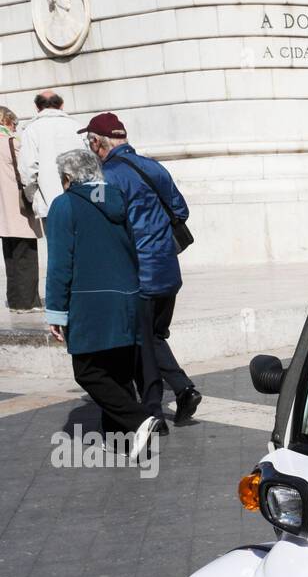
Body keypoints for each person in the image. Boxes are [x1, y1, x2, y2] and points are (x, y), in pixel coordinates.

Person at [81, 112, 202, 426]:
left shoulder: (104, 177)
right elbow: (181, 210)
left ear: (97, 142)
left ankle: (153, 413)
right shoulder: (154, 167)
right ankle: (183, 388)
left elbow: (100, 227)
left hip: (137, 275)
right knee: (153, 338)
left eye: (89, 141)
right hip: (167, 271)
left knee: (143, 344)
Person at [44, 149, 165, 459]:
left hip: (90, 302)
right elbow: (132, 250)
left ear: (67, 178)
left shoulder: (64, 204)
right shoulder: (115, 198)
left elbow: (60, 263)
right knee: (117, 371)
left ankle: (139, 420)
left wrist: (56, 311)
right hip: (127, 296)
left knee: (87, 372)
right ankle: (120, 441)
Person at [0, 106, 42, 311]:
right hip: (18, 207)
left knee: (10, 257)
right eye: (14, 123)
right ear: (6, 121)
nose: (15, 127)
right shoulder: (13, 142)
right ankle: (28, 302)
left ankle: (16, 300)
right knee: (26, 254)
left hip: (2, 213)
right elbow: (28, 169)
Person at [16, 91, 82, 221]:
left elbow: (27, 170)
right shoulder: (77, 126)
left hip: (49, 202)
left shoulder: (31, 130)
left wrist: (33, 197)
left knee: (56, 240)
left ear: (37, 107)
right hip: (81, 199)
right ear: (62, 105)